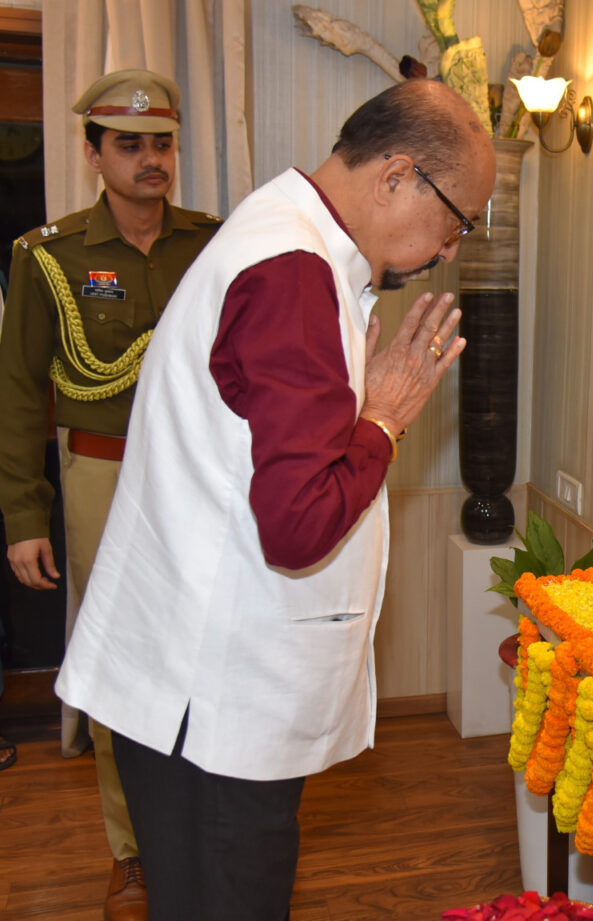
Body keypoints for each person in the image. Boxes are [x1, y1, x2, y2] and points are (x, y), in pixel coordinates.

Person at [56, 77, 497, 920]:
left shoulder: (281, 231)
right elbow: (297, 525)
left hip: (189, 683)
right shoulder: (294, 272)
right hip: (212, 703)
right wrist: (384, 420)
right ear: (396, 175)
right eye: (456, 221)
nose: (449, 249)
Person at [0, 68, 221, 920]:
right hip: (103, 470)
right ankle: (132, 850)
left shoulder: (212, 243)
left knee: (206, 650)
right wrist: (25, 515)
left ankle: (208, 823)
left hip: (203, 475)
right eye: (129, 144)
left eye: (161, 142)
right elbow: (20, 394)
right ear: (93, 153)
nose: (150, 159)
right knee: (122, 663)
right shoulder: (48, 257)